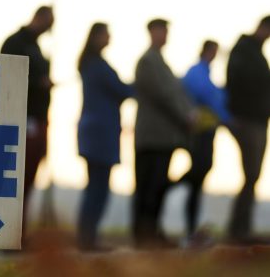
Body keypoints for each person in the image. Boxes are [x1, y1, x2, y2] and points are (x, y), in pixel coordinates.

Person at [133, 18, 196, 248]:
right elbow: (164, 95)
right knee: (148, 187)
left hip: (162, 138)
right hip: (152, 137)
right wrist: (187, 116)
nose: (165, 35)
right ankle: (144, 235)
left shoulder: (160, 62)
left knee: (156, 186)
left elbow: (175, 94)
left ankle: (152, 233)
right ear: (151, 32)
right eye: (162, 30)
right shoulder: (148, 61)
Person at [76, 23, 134, 251]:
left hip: (93, 132)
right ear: (97, 36)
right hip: (101, 134)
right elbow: (123, 90)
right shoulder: (98, 66)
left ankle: (87, 237)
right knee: (99, 188)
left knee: (95, 186)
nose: (109, 38)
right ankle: (88, 239)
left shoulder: (89, 64)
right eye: (107, 34)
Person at [0, 6, 54, 246]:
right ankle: (10, 234)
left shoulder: (37, 47)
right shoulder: (15, 43)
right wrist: (38, 84)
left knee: (29, 179)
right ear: (40, 18)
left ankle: (18, 233)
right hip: (21, 120)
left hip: (39, 120)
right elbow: (6, 76)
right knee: (16, 180)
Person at [178, 40, 231, 244]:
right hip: (200, 130)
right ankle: (169, 186)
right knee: (199, 172)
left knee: (199, 177)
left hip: (207, 129)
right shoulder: (196, 73)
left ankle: (191, 229)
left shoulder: (205, 74)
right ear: (207, 51)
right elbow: (206, 96)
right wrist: (224, 114)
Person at [226, 15, 270, 243]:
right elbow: (238, 81)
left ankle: (242, 228)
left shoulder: (255, 52)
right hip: (248, 120)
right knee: (251, 173)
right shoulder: (245, 50)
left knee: (253, 175)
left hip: (258, 120)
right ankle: (238, 230)